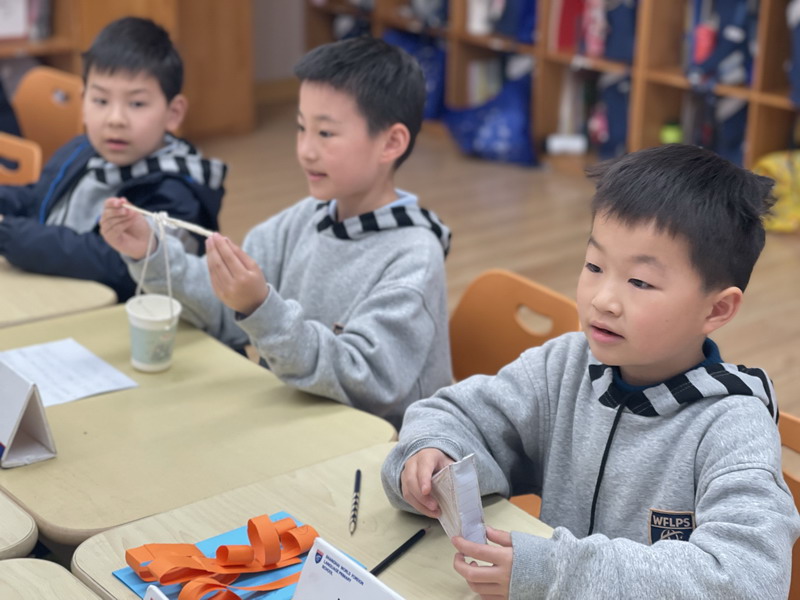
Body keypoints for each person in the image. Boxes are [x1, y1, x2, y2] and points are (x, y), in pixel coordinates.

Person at [381, 144, 800, 598]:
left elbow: (748, 580)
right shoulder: (565, 366)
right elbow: (456, 415)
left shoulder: (733, 427)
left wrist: (555, 573)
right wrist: (431, 452)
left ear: (716, 309)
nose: (603, 299)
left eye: (640, 281)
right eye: (594, 266)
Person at [99, 36, 452, 428]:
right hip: (295, 423)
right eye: (301, 127)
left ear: (391, 143)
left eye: (326, 133)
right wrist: (151, 251)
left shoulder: (414, 256)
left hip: (378, 448)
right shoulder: (302, 220)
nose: (305, 150)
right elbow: (223, 310)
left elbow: (368, 381)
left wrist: (260, 308)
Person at [0, 17, 225, 301]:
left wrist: (7, 233)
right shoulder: (82, 150)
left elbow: (113, 264)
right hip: (56, 288)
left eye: (136, 103)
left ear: (173, 113)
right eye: (101, 101)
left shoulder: (176, 192)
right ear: (83, 103)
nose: (115, 119)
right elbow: (38, 198)